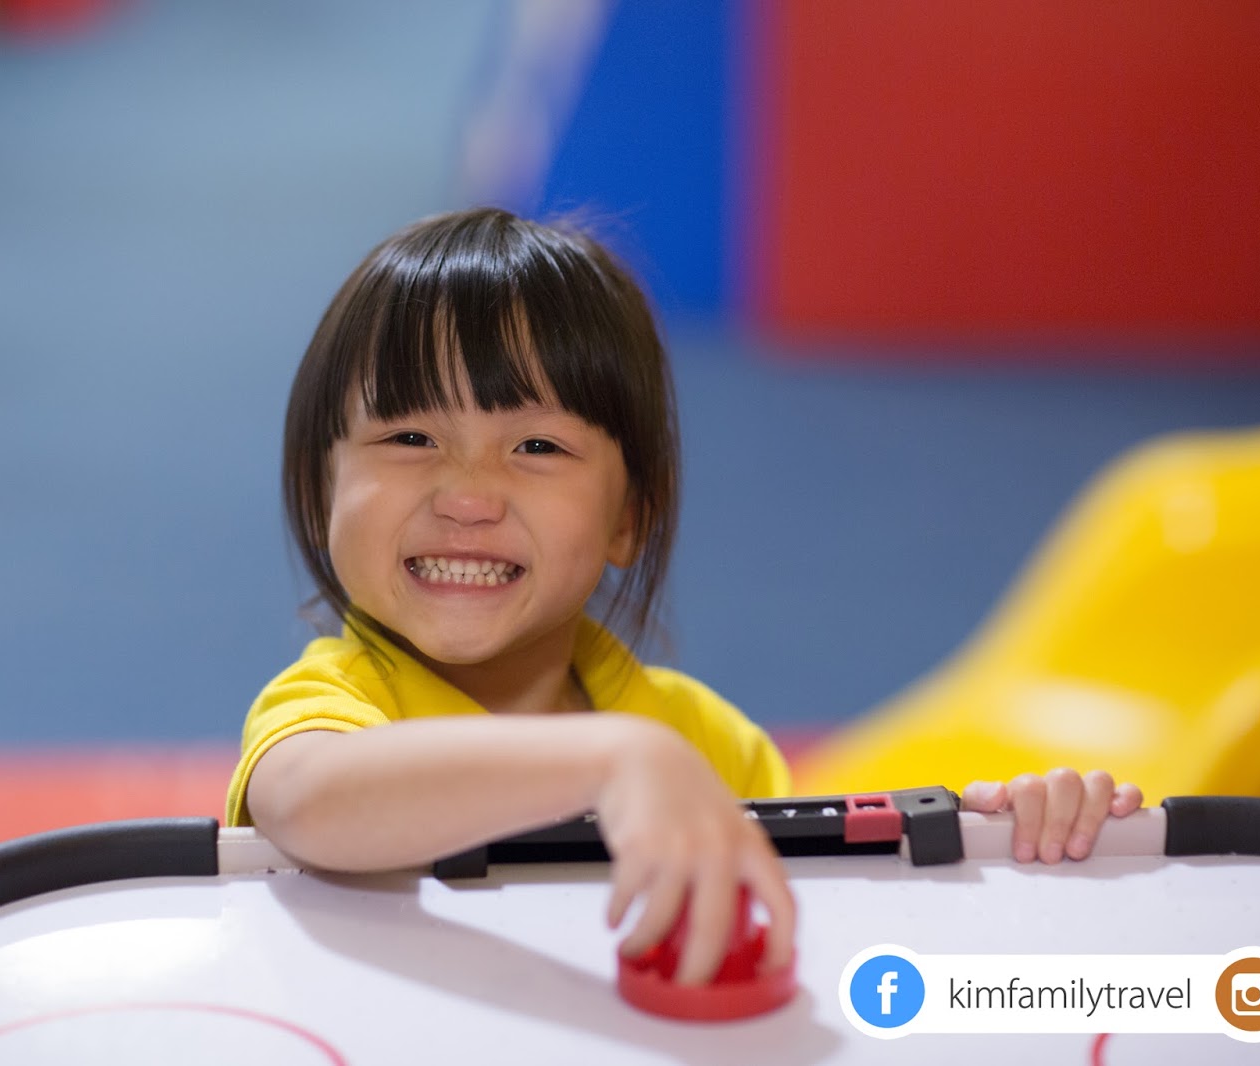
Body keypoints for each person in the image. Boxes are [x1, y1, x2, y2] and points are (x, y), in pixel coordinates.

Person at [225, 207, 1143, 988]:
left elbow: (823, 937)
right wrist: (611, 761)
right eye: (410, 437)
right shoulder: (334, 708)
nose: (467, 495)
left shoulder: (708, 745)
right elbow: (311, 805)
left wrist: (1004, 851)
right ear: (320, 489)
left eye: (538, 447)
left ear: (628, 519)